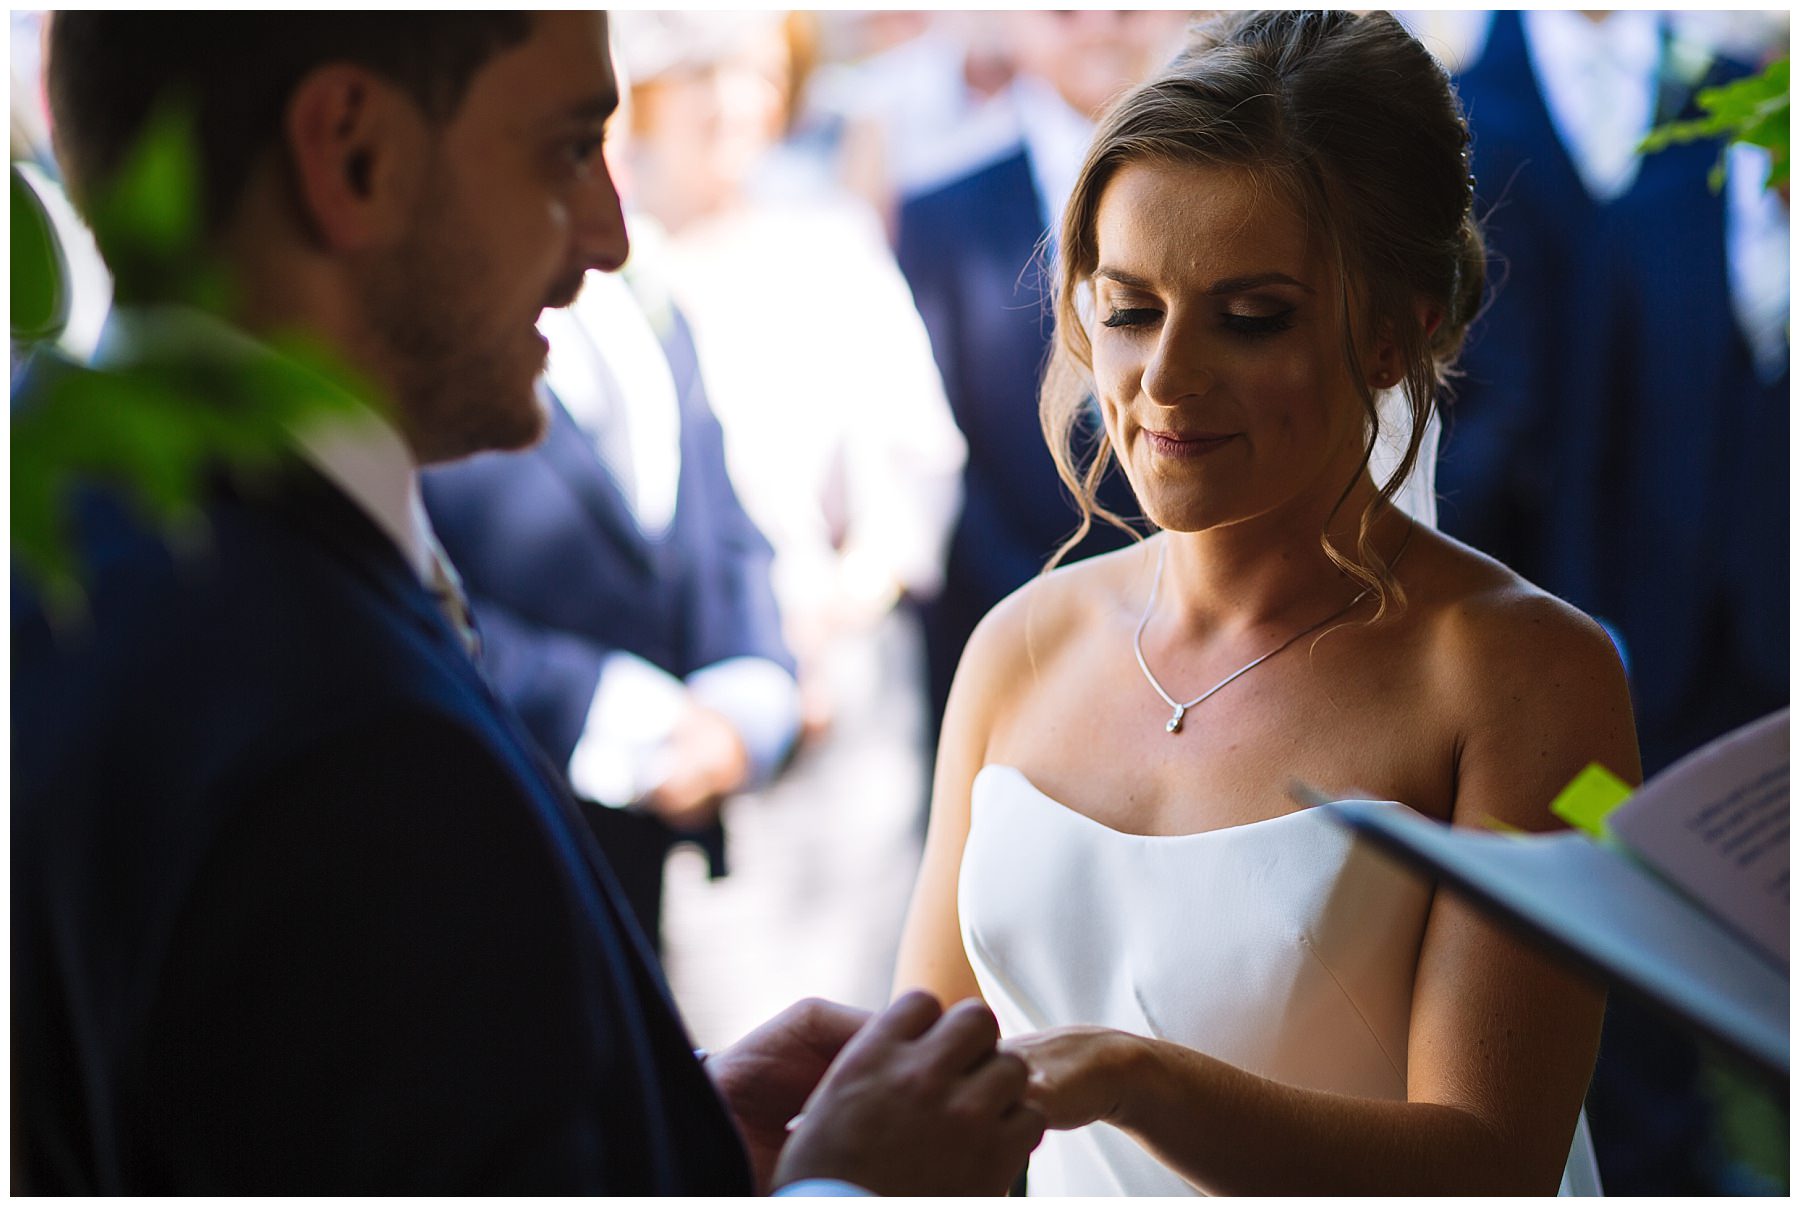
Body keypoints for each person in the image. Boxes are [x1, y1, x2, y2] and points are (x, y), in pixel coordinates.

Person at [13, 11, 1041, 1194]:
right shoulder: (342, 744)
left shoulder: (76, 530)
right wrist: (851, 1187)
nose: (610, 235)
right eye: (564, 148)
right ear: (353, 156)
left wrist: (660, 1128)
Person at [893, 10, 1638, 1195]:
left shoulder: (1522, 676)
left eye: (1252, 319)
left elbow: (1493, 1163)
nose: (1167, 380)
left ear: (1401, 333)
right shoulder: (1019, 644)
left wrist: (1145, 1081)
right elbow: (914, 1087)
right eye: (1129, 310)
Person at [423, 267, 801, 953]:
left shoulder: (648, 299)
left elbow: (717, 515)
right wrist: (640, 724)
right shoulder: (424, 352)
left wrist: (748, 690)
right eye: (574, 152)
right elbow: (427, 596)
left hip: (691, 808)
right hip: (522, 821)